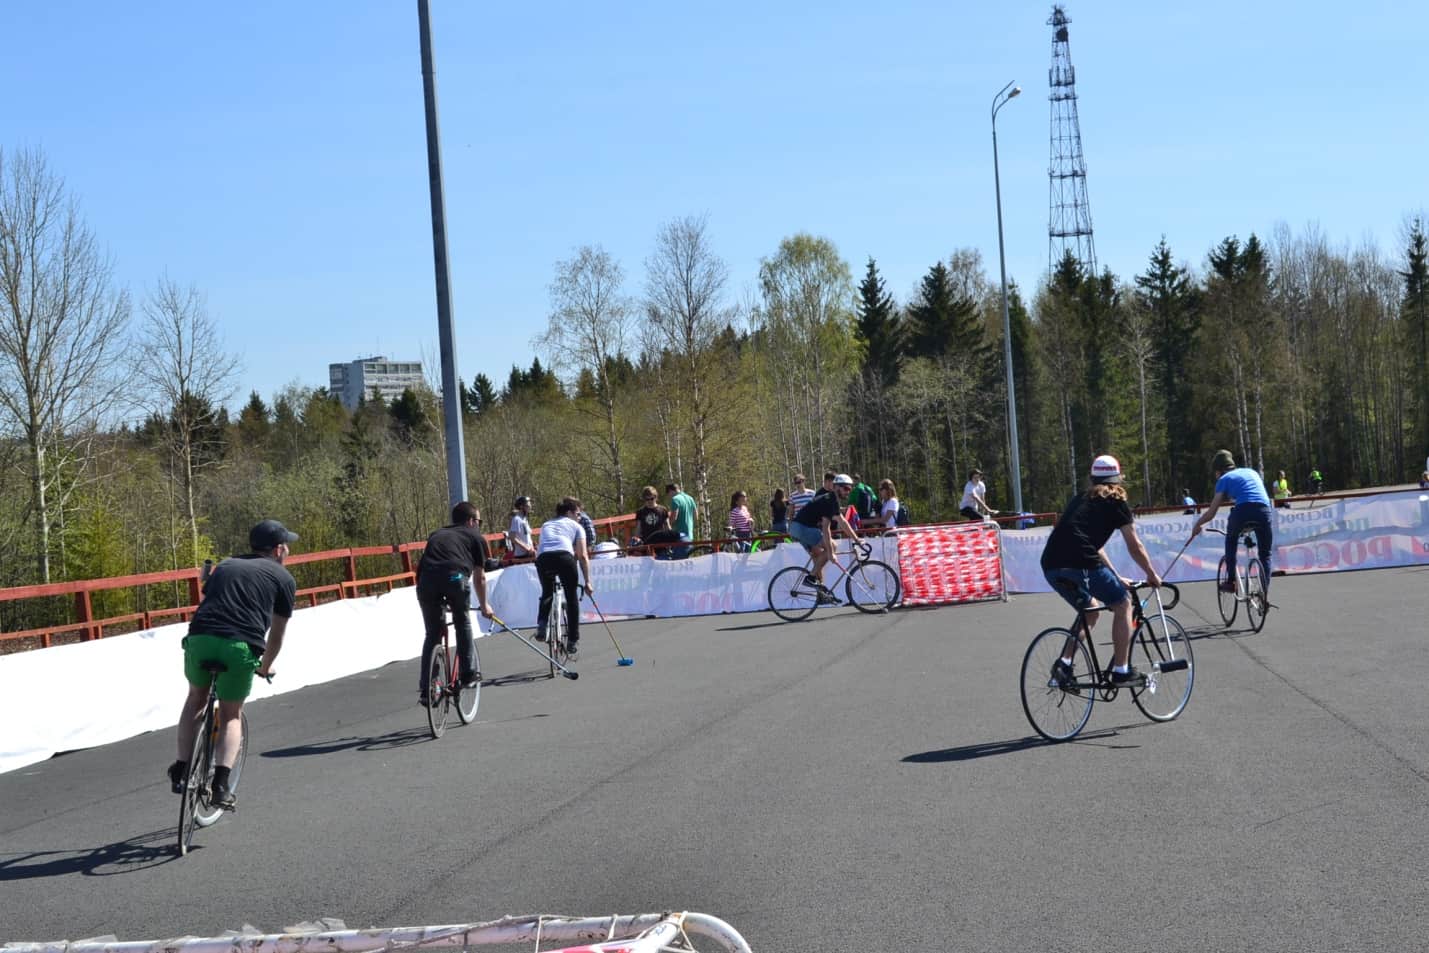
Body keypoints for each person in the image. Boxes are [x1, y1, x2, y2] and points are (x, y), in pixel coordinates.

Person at [169, 519, 298, 810]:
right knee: (230, 715)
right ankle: (221, 785)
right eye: (286, 545)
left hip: (199, 637)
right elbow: (276, 635)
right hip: (239, 645)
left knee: (195, 699)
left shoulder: (225, 565)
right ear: (278, 550)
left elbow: (210, 597)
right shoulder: (284, 578)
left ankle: (180, 768)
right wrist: (265, 666)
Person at [1040, 455, 1163, 687]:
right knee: (1123, 604)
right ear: (1118, 480)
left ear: (1092, 478)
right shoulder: (1117, 503)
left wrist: (1115, 576)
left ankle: (1064, 665)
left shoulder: (1080, 499)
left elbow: (1093, 545)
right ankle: (1121, 671)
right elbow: (1134, 545)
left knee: (1091, 611)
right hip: (1080, 562)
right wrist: (1151, 573)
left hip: (1050, 565)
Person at [416, 502, 494, 707]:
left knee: (432, 633)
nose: (478, 525)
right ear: (471, 521)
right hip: (454, 578)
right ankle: (468, 673)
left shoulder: (436, 534)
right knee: (462, 622)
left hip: (426, 583)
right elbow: (480, 578)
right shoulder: (475, 536)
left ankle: (426, 689)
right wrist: (485, 606)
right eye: (478, 521)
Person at [1190, 449, 1275, 595]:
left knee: (1231, 540)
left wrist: (1198, 524)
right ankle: (1263, 594)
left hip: (1243, 510)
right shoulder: (1251, 472)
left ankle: (1231, 581)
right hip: (1264, 510)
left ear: (1218, 471)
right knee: (1265, 554)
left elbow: (1211, 512)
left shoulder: (1224, 480)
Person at [787, 473, 862, 600]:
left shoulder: (832, 499)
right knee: (832, 547)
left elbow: (843, 522)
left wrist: (856, 539)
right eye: (846, 489)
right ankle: (810, 578)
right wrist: (831, 552)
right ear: (837, 487)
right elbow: (826, 529)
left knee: (819, 557)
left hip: (800, 528)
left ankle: (822, 594)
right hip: (802, 527)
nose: (848, 492)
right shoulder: (829, 500)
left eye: (850, 489)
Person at [535, 497, 594, 657]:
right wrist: (588, 581)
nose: (580, 517)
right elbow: (582, 555)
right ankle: (573, 640)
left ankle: (541, 625)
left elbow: (542, 546)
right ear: (569, 513)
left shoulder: (546, 524)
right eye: (578, 514)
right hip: (564, 557)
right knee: (571, 597)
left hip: (543, 559)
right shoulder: (576, 526)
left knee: (547, 591)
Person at [632, 485, 677, 555]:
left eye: (652, 498)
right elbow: (638, 529)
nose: (650, 501)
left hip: (661, 544)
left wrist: (672, 539)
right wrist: (635, 541)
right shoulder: (640, 512)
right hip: (647, 544)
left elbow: (667, 527)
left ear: (656, 497)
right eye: (647, 499)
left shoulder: (663, 510)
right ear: (644, 499)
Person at [666, 482, 697, 557]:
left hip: (679, 536)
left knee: (679, 561)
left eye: (668, 494)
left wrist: (667, 525)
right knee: (688, 560)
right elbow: (696, 516)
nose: (669, 496)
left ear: (670, 491)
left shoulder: (675, 499)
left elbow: (674, 517)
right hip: (689, 535)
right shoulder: (690, 498)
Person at [507, 496, 535, 560]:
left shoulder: (524, 519)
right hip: (521, 556)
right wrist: (526, 547)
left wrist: (532, 547)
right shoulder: (516, 519)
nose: (530, 506)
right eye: (528, 505)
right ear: (521, 506)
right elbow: (512, 537)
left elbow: (527, 537)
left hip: (529, 554)